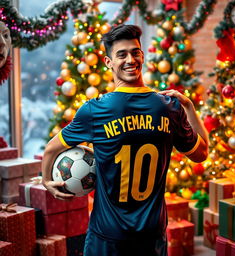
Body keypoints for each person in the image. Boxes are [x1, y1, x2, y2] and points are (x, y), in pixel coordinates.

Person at [42, 24, 208, 256]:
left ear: (142, 56)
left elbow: (51, 149)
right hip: (150, 233)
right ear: (109, 62)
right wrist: (189, 107)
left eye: (135, 52)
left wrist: (46, 180)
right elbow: (202, 153)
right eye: (122, 54)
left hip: (108, 235)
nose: (130, 59)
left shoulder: (95, 110)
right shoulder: (168, 108)